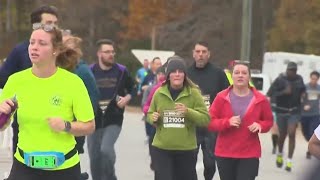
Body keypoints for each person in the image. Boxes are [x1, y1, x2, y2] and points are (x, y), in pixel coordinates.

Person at [1, 23, 95, 180]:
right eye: (32, 42)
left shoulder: (73, 82)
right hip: (25, 166)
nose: (34, 47)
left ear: (55, 50)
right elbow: (1, 125)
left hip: (64, 168)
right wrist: (2, 113)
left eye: (42, 43)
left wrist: (66, 126)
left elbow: (89, 125)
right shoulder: (15, 81)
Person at [0, 5, 59, 157]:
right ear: (36, 26)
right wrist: (22, 93)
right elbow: (3, 78)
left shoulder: (61, 51)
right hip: (25, 125)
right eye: (49, 23)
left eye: (56, 23)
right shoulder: (20, 51)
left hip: (57, 124)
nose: (54, 27)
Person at [147, 56, 210, 180]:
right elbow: (149, 114)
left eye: (180, 72)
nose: (177, 75)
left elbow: (205, 119)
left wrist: (188, 112)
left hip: (185, 150)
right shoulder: (159, 93)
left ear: (184, 75)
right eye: (173, 72)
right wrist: (153, 117)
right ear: (168, 75)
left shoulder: (193, 93)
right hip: (162, 149)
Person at [208, 61, 273, 180]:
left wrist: (260, 125)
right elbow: (210, 122)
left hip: (249, 153)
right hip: (225, 153)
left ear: (249, 77)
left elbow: (269, 121)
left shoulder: (260, 99)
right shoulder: (221, 97)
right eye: (237, 72)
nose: (240, 75)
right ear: (232, 76)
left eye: (244, 73)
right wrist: (227, 122)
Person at [87, 39, 134, 180]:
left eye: (112, 52)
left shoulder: (121, 71)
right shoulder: (90, 71)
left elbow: (134, 88)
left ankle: (110, 176)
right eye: (107, 52)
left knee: (106, 149)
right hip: (93, 120)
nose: (111, 54)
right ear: (99, 54)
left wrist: (127, 98)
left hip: (114, 119)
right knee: (94, 157)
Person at [187, 41, 229, 180]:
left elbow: (227, 97)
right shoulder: (186, 73)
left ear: (209, 54)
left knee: (210, 163)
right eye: (198, 52)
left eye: (204, 52)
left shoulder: (218, 73)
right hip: (191, 124)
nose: (200, 55)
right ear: (193, 54)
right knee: (188, 161)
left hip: (211, 125)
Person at [62, 34, 100, 180]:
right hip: (58, 123)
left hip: (75, 125)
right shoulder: (58, 68)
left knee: (69, 159)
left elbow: (93, 96)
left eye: (67, 49)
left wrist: (81, 118)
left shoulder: (83, 71)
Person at [267, 61, 306, 172]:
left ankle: (289, 161)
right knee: (282, 135)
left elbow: (303, 91)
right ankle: (280, 153)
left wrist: (304, 96)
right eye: (290, 70)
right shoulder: (280, 79)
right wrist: (284, 92)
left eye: (294, 70)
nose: (292, 72)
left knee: (292, 133)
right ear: (287, 70)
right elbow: (270, 94)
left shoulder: (299, 79)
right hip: (281, 111)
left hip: (294, 111)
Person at [301, 71, 320, 159]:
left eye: (315, 79)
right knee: (305, 133)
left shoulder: (319, 88)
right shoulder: (305, 87)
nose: (314, 81)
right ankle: (311, 145)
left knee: (312, 131)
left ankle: (310, 150)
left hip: (316, 114)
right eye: (312, 79)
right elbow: (299, 99)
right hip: (305, 114)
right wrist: (304, 105)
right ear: (310, 78)